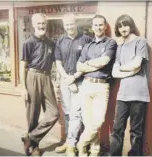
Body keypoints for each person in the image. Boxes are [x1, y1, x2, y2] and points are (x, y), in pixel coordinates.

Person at [76, 14, 117, 156]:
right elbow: (78, 66)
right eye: (95, 25)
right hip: (86, 85)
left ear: (105, 26)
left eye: (101, 25)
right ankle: (93, 151)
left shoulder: (110, 43)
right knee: (88, 124)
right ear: (92, 27)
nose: (98, 27)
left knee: (98, 121)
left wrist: (87, 64)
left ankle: (80, 144)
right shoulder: (87, 46)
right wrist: (92, 66)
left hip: (101, 87)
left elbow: (104, 61)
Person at [109, 14, 150, 156]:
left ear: (131, 25)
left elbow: (137, 63)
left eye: (125, 25)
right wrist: (130, 71)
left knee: (136, 131)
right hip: (123, 95)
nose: (123, 28)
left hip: (139, 94)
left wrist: (123, 67)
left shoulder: (141, 41)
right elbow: (114, 73)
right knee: (117, 129)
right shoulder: (120, 48)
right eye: (120, 26)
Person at [20, 13, 59, 156]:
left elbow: (57, 63)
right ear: (33, 25)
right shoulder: (28, 43)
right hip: (33, 76)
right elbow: (22, 65)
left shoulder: (51, 43)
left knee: (54, 113)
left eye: (43, 23)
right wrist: (23, 87)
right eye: (39, 24)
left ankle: (30, 137)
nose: (42, 26)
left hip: (47, 78)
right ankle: (34, 147)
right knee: (33, 114)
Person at [53, 13, 92, 156]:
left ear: (76, 23)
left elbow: (88, 62)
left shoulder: (86, 39)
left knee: (78, 114)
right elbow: (58, 62)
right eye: (66, 24)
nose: (69, 27)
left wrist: (75, 77)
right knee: (68, 114)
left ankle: (75, 144)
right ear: (64, 26)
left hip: (80, 81)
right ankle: (69, 143)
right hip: (65, 81)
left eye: (71, 23)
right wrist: (67, 78)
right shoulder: (60, 41)